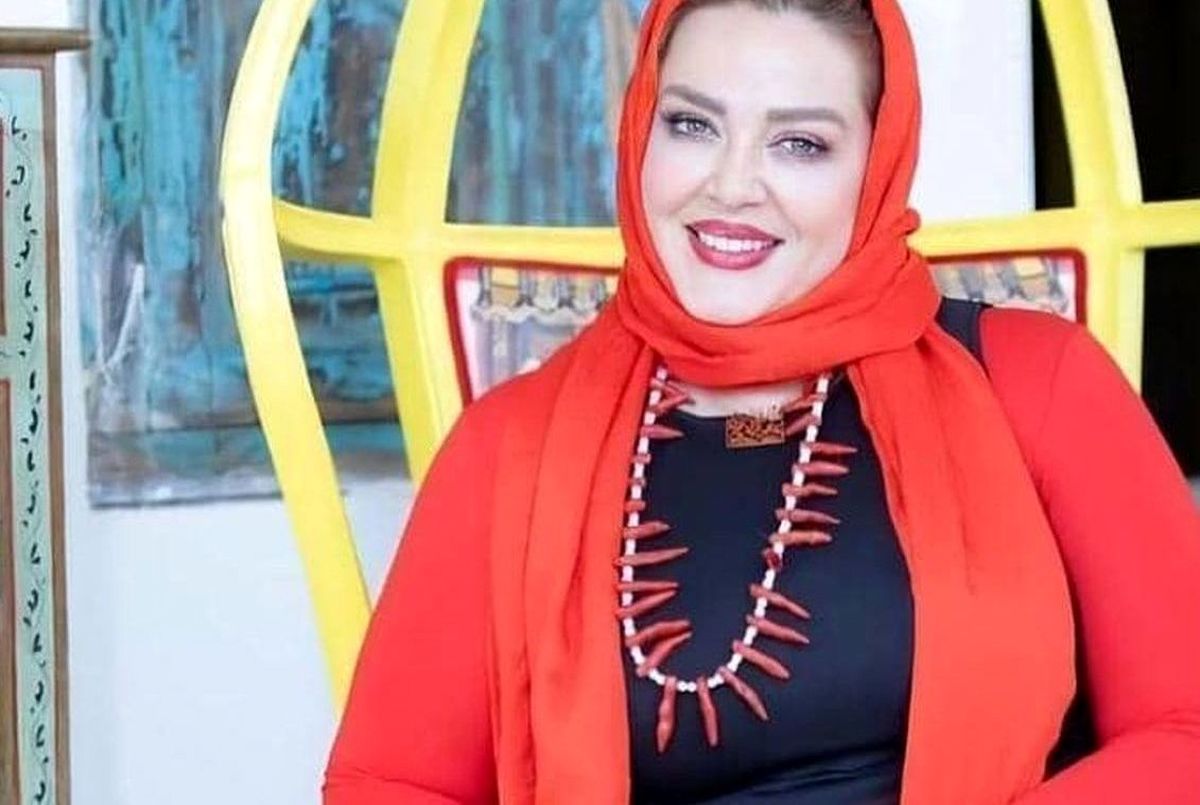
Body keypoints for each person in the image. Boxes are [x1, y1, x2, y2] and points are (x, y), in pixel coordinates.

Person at [322, 0, 1200, 802]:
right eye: (692, 124)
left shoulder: (1035, 384)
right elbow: (386, 782)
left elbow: (1184, 730)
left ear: (877, 164)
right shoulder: (510, 446)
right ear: (640, 130)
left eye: (800, 143)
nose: (733, 184)